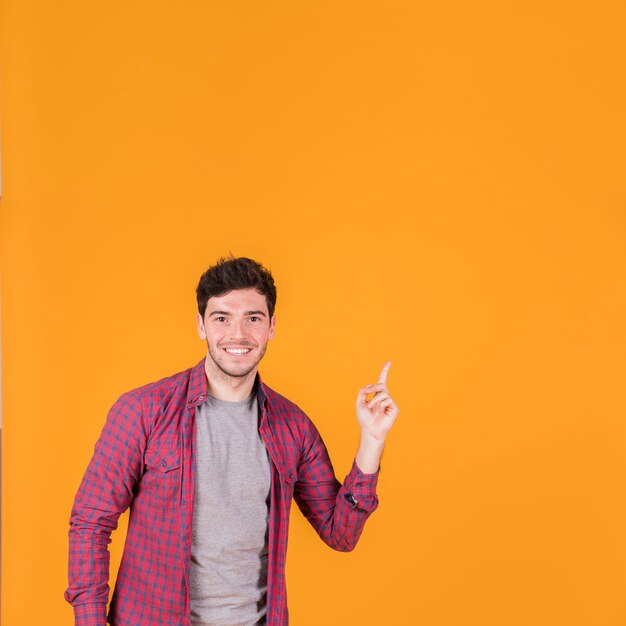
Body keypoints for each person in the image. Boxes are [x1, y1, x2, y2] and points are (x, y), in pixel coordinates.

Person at [65, 256, 400, 626]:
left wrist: (372, 440)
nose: (237, 334)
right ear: (201, 325)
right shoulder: (143, 411)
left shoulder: (293, 427)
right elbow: (90, 524)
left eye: (253, 318)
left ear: (271, 327)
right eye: (222, 318)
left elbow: (341, 534)